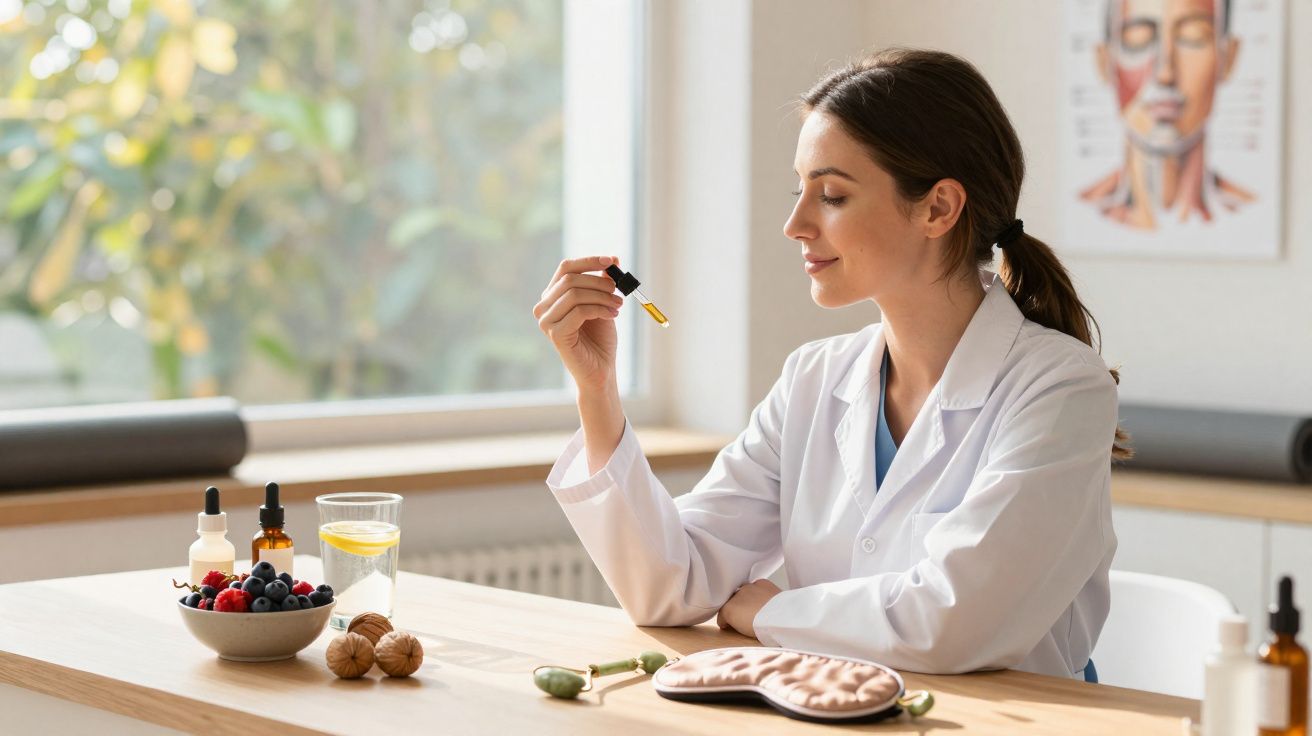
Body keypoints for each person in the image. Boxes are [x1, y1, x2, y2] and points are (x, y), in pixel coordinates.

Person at [532, 48, 1131, 680]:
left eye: (833, 195)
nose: (794, 224)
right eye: (801, 192)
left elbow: (953, 622)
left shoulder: (1061, 388)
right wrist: (597, 393)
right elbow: (670, 585)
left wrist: (773, 613)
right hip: (837, 707)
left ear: (938, 208)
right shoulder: (814, 379)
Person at [1081, 0, 1253, 228]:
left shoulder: (1249, 213)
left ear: (1228, 58)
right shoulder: (1082, 211)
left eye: (1193, 37)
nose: (1165, 73)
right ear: (1105, 61)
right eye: (1138, 39)